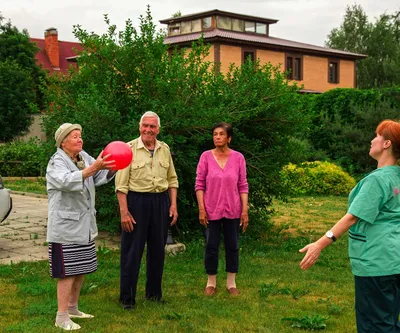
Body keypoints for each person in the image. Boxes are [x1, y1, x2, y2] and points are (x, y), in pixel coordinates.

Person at [299, 119, 400, 333]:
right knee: (389, 320)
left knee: (376, 325)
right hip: (394, 261)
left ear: (386, 144)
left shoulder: (377, 180)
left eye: (377, 136)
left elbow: (352, 217)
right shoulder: (396, 176)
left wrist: (319, 244)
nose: (372, 140)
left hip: (376, 263)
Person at [46, 123, 116, 331]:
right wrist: (94, 168)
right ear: (63, 141)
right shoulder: (56, 162)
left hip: (84, 226)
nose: (80, 140)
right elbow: (66, 181)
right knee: (67, 272)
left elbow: (97, 176)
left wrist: (111, 168)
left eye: (80, 136)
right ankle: (61, 316)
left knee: (80, 268)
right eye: (75, 137)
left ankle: (73, 308)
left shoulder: (83, 157)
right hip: (65, 228)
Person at [115, 111, 178, 309]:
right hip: (136, 202)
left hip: (160, 202)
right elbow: (121, 185)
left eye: (152, 126)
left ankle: (154, 294)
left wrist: (173, 205)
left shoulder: (164, 149)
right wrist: (124, 212)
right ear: (139, 127)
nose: (148, 130)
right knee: (132, 251)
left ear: (158, 129)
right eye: (145, 126)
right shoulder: (128, 149)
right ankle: (127, 297)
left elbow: (172, 180)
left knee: (158, 251)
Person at [195, 122, 249, 296]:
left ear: (229, 138)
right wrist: (202, 209)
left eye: (221, 134)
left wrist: (244, 210)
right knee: (211, 245)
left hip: (233, 209)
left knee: (232, 246)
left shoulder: (238, 158)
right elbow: (199, 185)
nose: (217, 137)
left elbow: (243, 185)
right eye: (215, 134)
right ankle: (211, 282)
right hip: (211, 209)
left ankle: (231, 283)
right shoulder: (205, 157)